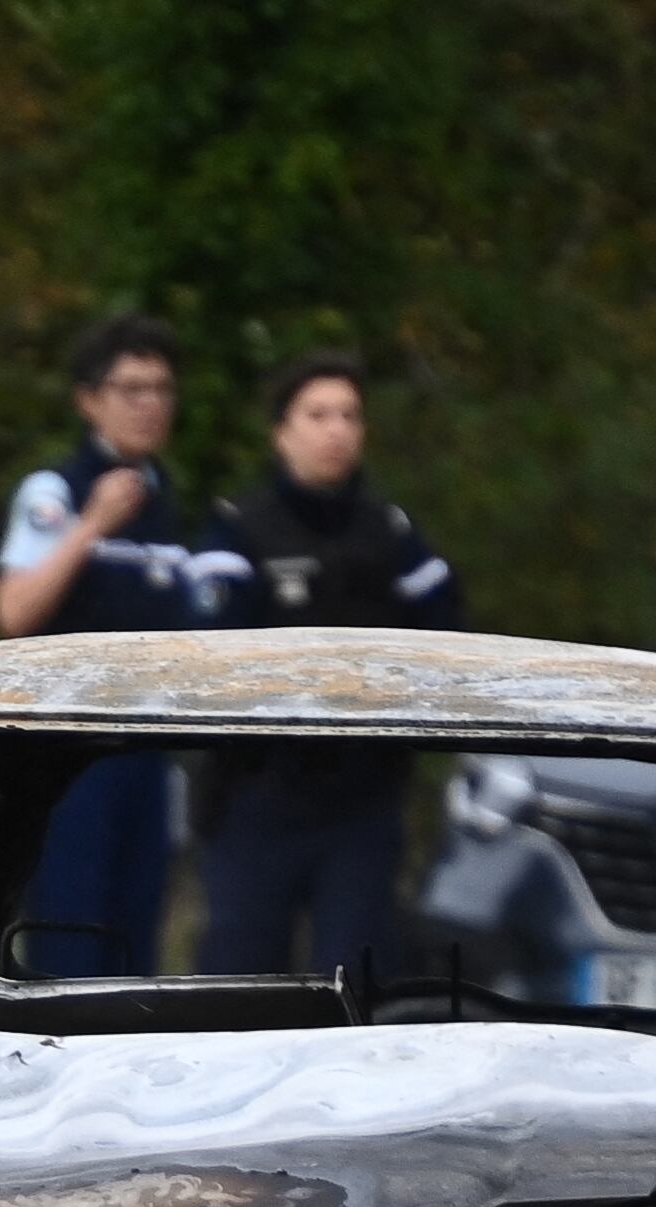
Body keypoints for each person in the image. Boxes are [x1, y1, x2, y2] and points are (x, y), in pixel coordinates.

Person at [185, 351, 463, 979]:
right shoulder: (239, 530)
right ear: (281, 432)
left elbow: (450, 641)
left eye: (350, 415)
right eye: (317, 414)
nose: (337, 430)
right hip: (257, 797)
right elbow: (212, 653)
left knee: (360, 988)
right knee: (239, 988)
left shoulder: (389, 532)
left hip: (361, 804)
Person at [0, 313, 192, 976]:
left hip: (149, 750)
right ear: (89, 399)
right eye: (131, 389)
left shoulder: (168, 505)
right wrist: (91, 526)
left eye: (161, 389)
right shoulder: (57, 491)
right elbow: (14, 611)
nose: (149, 405)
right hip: (70, 753)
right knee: (70, 940)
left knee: (136, 947)